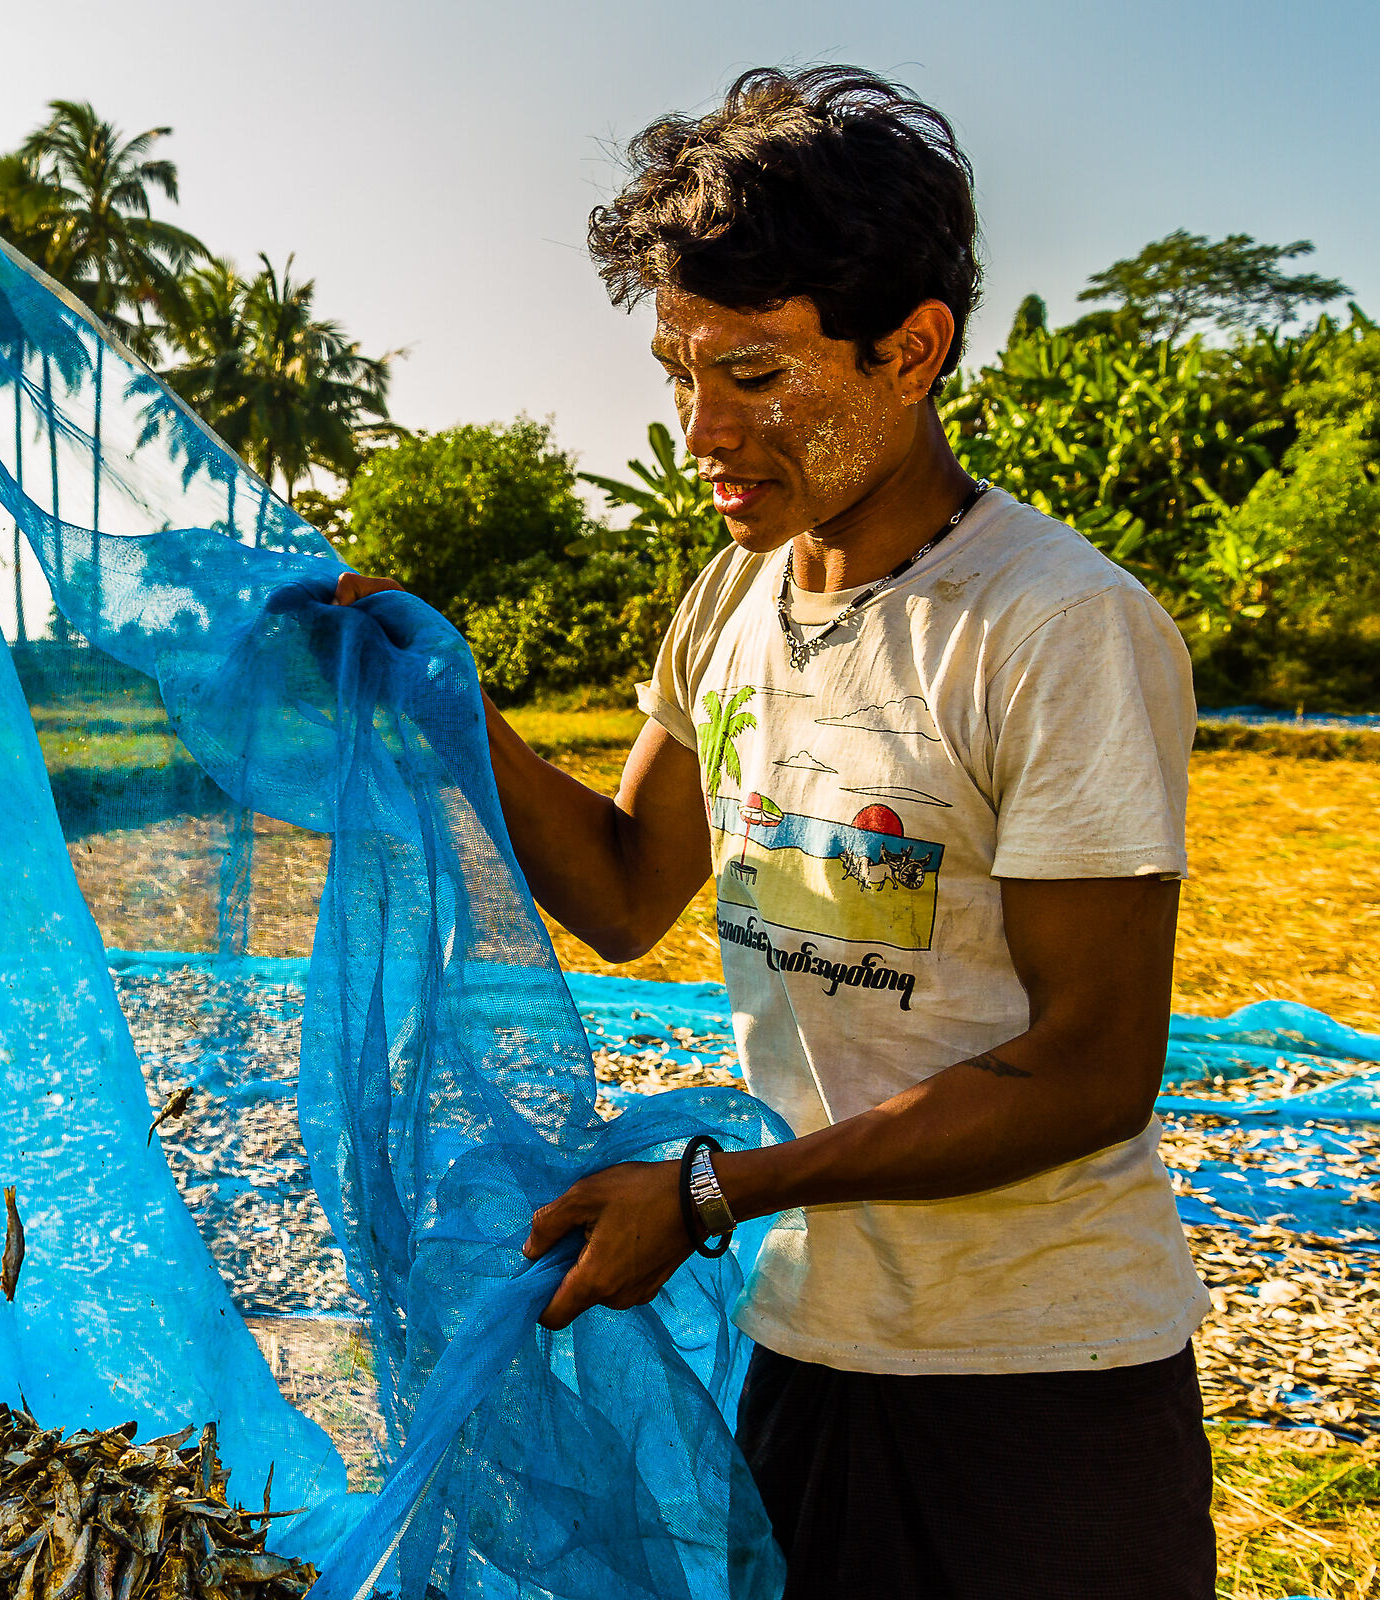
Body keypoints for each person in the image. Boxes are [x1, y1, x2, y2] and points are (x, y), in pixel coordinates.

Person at [336, 67, 1212, 1598]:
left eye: (752, 373)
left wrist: (706, 1195)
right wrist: (457, 709)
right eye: (681, 374)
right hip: (806, 1343)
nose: (701, 430)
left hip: (1038, 1384)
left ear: (912, 349)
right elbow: (627, 890)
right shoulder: (734, 598)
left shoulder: (1052, 626)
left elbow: (1091, 1068)